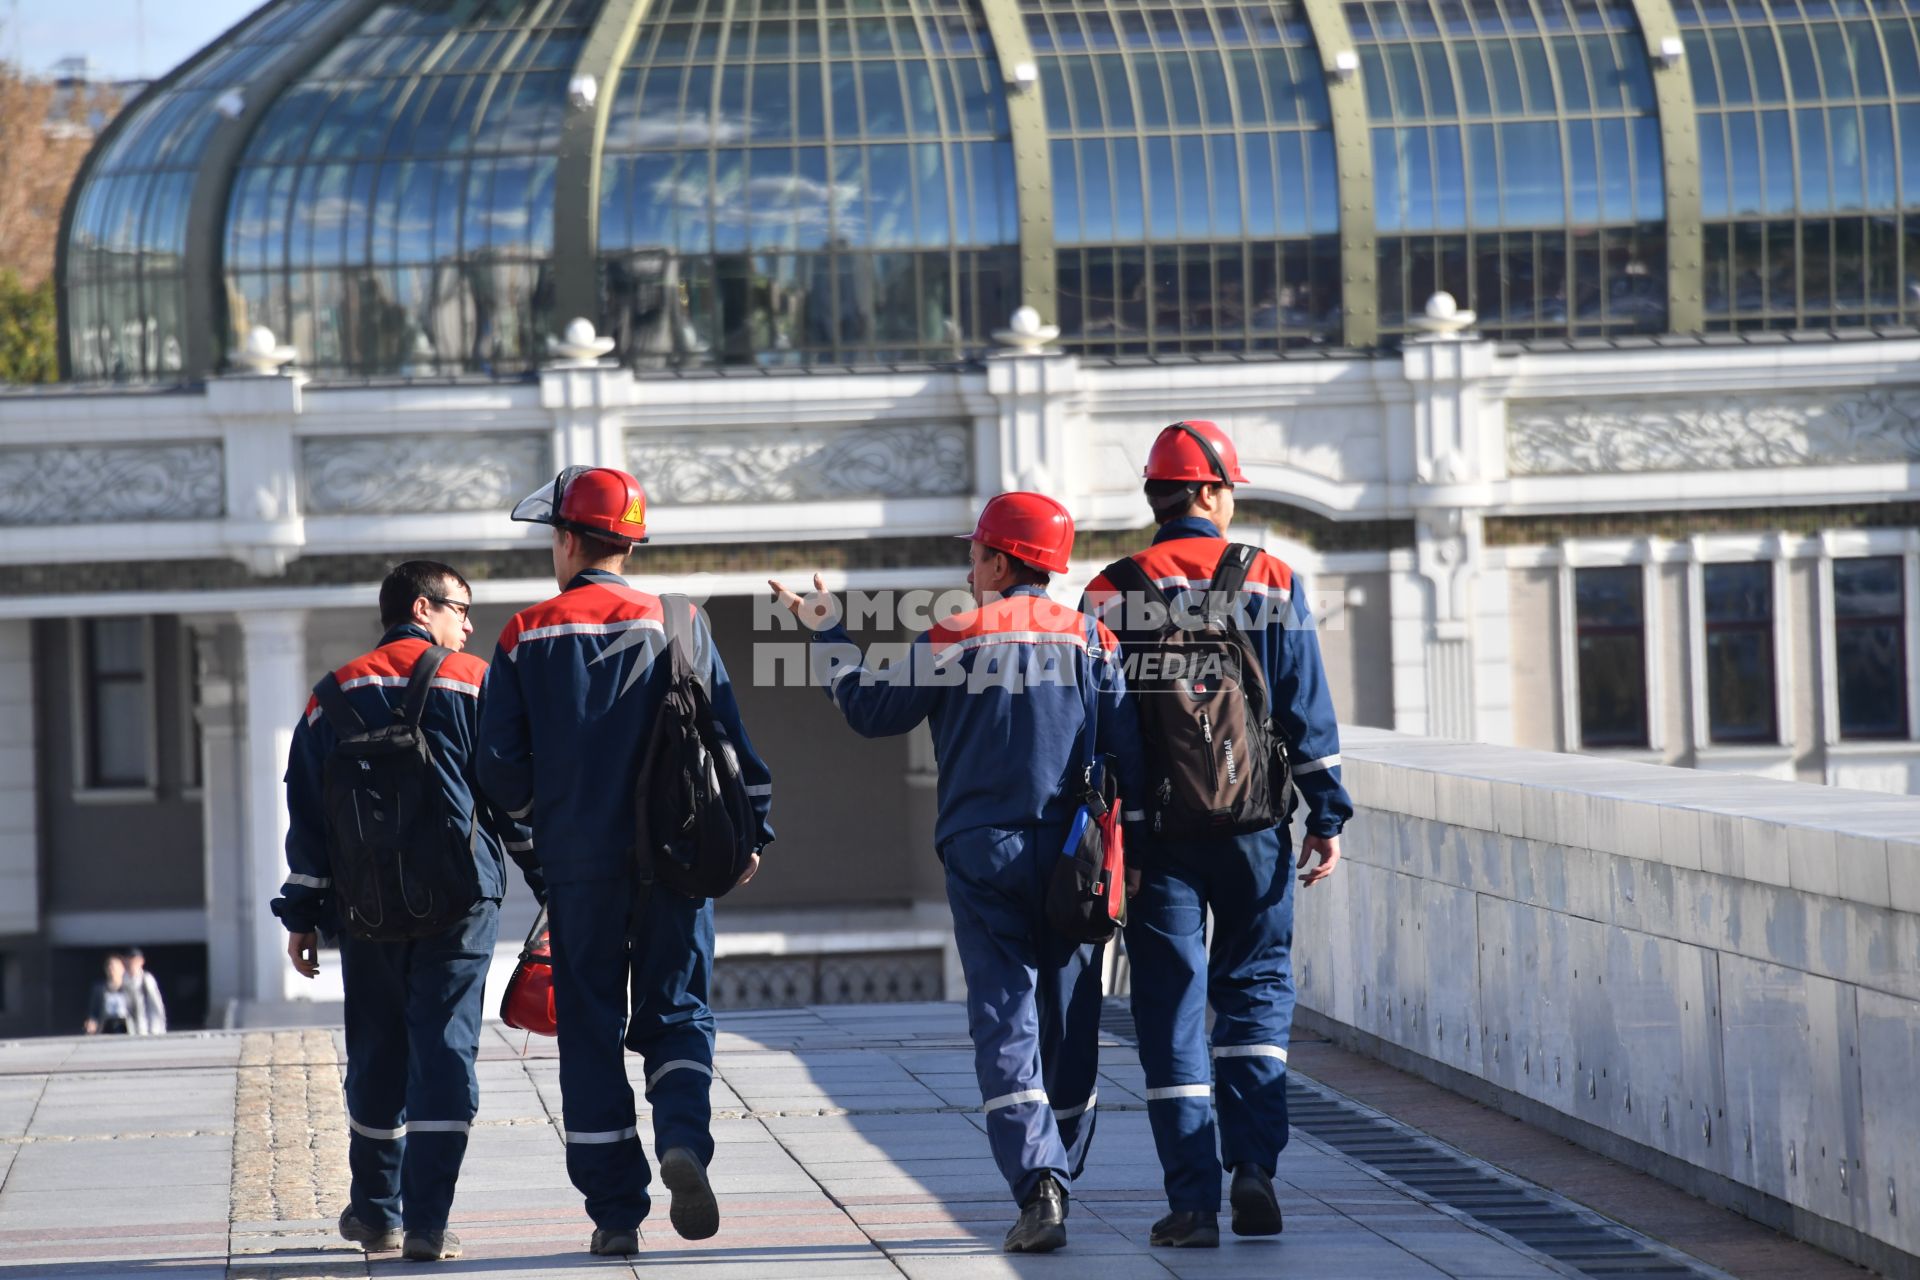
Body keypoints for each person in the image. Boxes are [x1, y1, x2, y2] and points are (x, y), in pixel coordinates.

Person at [771, 492, 1146, 1254]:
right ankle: (1062, 1172)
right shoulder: (1093, 640)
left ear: (1001, 561)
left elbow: (871, 710)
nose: (968, 568)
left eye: (974, 554)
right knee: (1072, 1019)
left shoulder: (953, 633)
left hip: (983, 853)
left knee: (1005, 1018)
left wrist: (825, 631)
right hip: (1074, 858)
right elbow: (1127, 758)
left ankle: (1037, 1181)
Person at [477, 466, 774, 1258]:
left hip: (580, 868)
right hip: (679, 857)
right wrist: (751, 835)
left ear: (569, 540)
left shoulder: (523, 633)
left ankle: (615, 1212)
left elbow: (499, 766)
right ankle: (682, 1138)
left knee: (590, 1026)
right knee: (678, 1011)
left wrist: (547, 826)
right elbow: (729, 742)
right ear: (629, 544)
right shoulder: (683, 620)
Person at [1080, 420, 1351, 1248]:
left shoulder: (1107, 588)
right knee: (1257, 993)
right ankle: (1256, 1169)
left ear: (1161, 497)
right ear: (1208, 491)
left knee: (1169, 1008)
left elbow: (1098, 720)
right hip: (1257, 825)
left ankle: (1193, 1202)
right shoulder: (1270, 578)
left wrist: (1117, 817)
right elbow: (1304, 708)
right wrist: (1326, 811)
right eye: (1229, 488)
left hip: (1158, 835)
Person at [275, 560, 542, 1264]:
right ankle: (428, 1222)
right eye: (461, 608)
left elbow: (307, 810)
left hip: (365, 908)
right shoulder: (474, 682)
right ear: (423, 609)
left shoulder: (329, 695)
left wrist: (302, 910)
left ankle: (375, 1212)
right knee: (445, 1050)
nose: (469, 623)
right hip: (460, 903)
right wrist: (552, 880)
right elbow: (512, 795)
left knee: (377, 1051)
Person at [83, 953, 140, 1035]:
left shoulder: (130, 989)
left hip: (126, 1026)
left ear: (122, 969)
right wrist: (92, 1022)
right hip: (106, 1026)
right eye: (109, 967)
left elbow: (136, 1011)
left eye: (115, 967)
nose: (112, 970)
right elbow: (93, 1011)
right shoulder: (99, 989)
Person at [123, 948, 166, 1035]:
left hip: (146, 1028)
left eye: (135, 961)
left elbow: (156, 1005)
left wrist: (156, 1029)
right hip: (128, 1029)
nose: (132, 963)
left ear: (141, 961)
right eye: (129, 960)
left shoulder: (146, 979)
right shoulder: (122, 979)